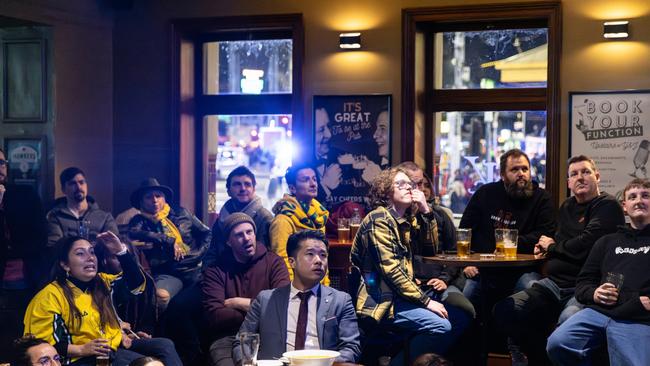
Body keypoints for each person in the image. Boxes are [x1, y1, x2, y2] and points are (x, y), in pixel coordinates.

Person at [493, 155, 625, 365]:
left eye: (586, 172)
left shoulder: (607, 206)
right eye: (574, 174)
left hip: (582, 288)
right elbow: (563, 243)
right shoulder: (566, 207)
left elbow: (585, 245)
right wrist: (546, 248)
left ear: (597, 176)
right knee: (505, 309)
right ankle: (539, 360)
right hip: (553, 284)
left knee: (566, 324)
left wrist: (553, 248)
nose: (580, 177)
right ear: (568, 183)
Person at [350, 167, 458, 365]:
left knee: (457, 310)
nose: (409, 187)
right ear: (385, 192)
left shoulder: (405, 221)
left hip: (401, 295)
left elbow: (430, 249)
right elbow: (391, 271)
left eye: (411, 184)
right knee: (441, 326)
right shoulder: (379, 219)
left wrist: (427, 212)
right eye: (401, 184)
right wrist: (426, 302)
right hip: (382, 301)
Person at [23, 233, 182, 366]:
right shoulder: (49, 296)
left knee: (164, 345)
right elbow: (41, 346)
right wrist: (82, 349)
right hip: (81, 358)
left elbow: (137, 286)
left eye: (92, 252)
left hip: (112, 346)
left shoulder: (103, 281)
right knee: (145, 364)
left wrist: (121, 252)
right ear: (65, 265)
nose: (90, 258)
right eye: (80, 253)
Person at [546, 178, 650, 366]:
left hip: (637, 317)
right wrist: (594, 293)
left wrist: (631, 302)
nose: (639, 200)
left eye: (645, 196)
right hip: (599, 312)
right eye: (632, 197)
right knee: (557, 344)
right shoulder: (606, 241)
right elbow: (583, 282)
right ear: (624, 206)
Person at [233, 230, 361, 363]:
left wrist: (318, 363)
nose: (319, 261)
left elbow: (351, 348)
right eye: (310, 254)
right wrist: (248, 363)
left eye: (323, 255)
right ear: (292, 262)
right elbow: (241, 343)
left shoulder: (340, 300)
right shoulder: (265, 300)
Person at [459, 149, 555, 306]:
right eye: (514, 169)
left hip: (523, 270)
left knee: (535, 292)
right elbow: (465, 230)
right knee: (468, 297)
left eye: (525, 169)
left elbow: (545, 235)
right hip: (484, 269)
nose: (521, 173)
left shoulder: (542, 198)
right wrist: (467, 263)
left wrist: (511, 243)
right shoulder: (485, 193)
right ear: (502, 174)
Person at [202, 213, 290, 366]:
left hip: (268, 334)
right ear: (229, 242)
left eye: (249, 232)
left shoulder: (274, 262)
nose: (247, 238)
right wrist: (262, 310)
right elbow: (215, 316)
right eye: (239, 235)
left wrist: (238, 303)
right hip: (228, 338)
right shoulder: (215, 270)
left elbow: (281, 306)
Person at [127, 178, 211, 311]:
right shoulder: (139, 221)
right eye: (149, 197)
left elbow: (207, 233)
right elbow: (133, 232)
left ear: (164, 198)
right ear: (141, 201)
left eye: (158, 196)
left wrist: (198, 254)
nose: (154, 200)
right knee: (159, 297)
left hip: (194, 269)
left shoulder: (181, 213)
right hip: (168, 272)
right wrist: (167, 239)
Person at [0, 148, 48, 362]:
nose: (0, 168)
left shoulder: (24, 195)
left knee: (20, 332)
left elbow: (40, 237)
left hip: (25, 277)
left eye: (2, 163)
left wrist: (12, 251)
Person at [270, 163, 330, 284]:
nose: (313, 184)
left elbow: (323, 258)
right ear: (292, 188)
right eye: (305, 180)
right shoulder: (283, 220)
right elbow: (282, 262)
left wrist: (325, 287)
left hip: (319, 288)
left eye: (314, 179)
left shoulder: (318, 218)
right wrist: (293, 293)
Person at [204, 166, 274, 266]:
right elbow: (212, 252)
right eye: (237, 184)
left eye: (247, 184)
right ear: (228, 191)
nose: (243, 188)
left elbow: (266, 257)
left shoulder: (264, 218)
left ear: (254, 189)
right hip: (222, 274)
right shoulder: (222, 218)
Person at [47, 167, 119, 246]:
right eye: (72, 183)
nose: (79, 187)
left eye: (81, 182)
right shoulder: (55, 216)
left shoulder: (105, 217)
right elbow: (54, 247)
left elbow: (113, 246)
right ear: (63, 189)